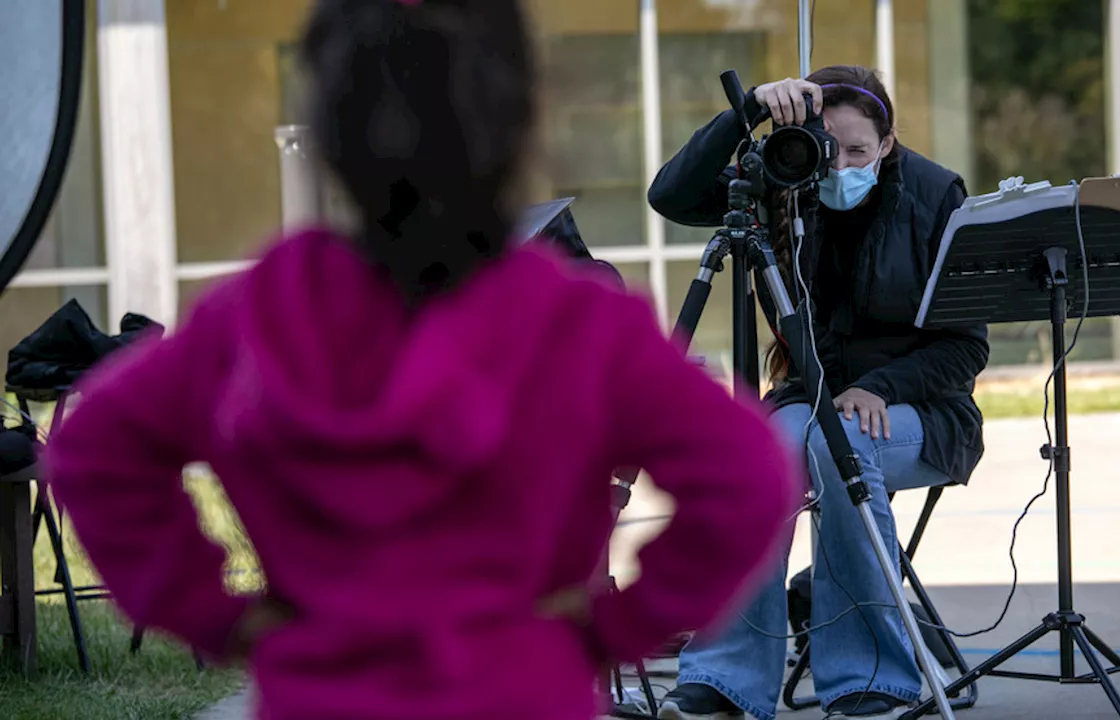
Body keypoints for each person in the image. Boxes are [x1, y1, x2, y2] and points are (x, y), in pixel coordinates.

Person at [41, 1, 801, 718]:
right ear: (519, 123)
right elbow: (749, 476)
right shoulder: (577, 323)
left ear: (329, 133)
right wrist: (614, 627)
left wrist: (219, 617)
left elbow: (94, 450)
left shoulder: (258, 318)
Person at [648, 65, 990, 719]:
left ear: (888, 144)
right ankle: (724, 677)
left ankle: (870, 678)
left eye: (858, 151)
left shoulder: (935, 194)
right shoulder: (787, 176)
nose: (840, 167)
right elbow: (671, 196)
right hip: (809, 398)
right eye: (827, 149)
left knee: (842, 448)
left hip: (921, 411)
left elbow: (966, 347)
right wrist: (744, 114)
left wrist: (878, 389)